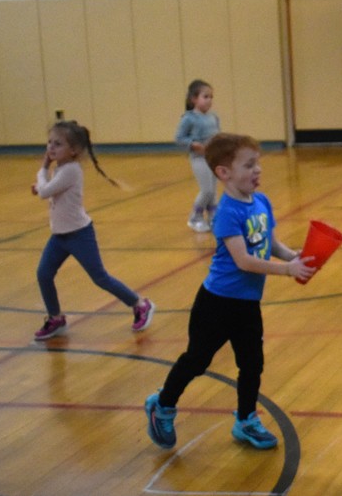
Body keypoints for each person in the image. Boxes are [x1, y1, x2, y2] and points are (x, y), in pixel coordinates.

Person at [145, 133, 316, 450]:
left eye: (258, 164)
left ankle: (246, 419)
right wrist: (287, 271)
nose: (257, 170)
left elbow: (270, 244)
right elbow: (245, 261)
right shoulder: (227, 213)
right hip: (217, 304)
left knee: (252, 364)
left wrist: (295, 256)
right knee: (197, 360)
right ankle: (163, 404)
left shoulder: (261, 202)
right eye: (249, 165)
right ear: (223, 173)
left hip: (247, 305)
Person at [31, 120, 155, 340]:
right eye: (49, 142)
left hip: (79, 235)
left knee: (100, 277)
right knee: (44, 274)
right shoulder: (62, 168)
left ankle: (140, 304)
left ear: (74, 151)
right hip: (59, 236)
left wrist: (42, 169)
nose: (51, 147)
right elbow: (49, 190)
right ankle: (55, 318)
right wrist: (44, 184)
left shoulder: (70, 170)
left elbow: (44, 192)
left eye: (57, 144)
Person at [175, 79, 221, 232]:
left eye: (211, 97)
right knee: (206, 189)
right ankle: (195, 217)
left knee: (213, 190)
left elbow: (217, 135)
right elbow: (179, 138)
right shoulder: (189, 118)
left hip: (213, 157)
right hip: (199, 158)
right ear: (194, 99)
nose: (209, 100)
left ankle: (213, 217)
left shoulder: (213, 117)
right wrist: (195, 144)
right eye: (205, 97)